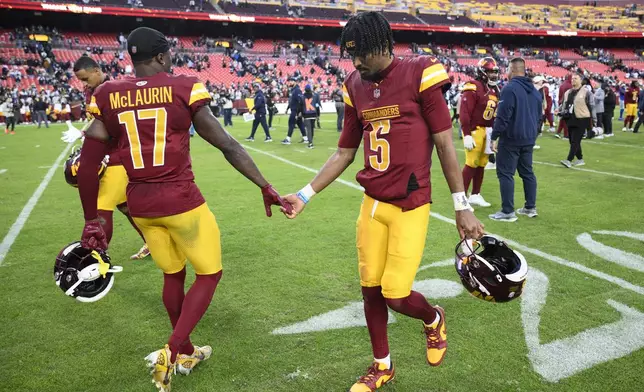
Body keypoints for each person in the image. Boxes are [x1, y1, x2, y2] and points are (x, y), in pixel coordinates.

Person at [76, 27, 291, 392]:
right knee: (209, 275)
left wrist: (90, 220)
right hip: (181, 202)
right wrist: (266, 186)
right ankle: (173, 350)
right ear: (161, 57)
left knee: (173, 276)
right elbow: (227, 145)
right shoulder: (183, 87)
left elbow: (86, 167)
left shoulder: (108, 94)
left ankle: (188, 350)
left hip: (141, 204)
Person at [280, 12, 485, 392]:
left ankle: (433, 318)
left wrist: (462, 204)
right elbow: (344, 153)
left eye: (363, 54)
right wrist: (305, 195)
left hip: (411, 204)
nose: (356, 62)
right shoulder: (354, 85)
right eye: (351, 55)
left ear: (385, 45)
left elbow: (444, 143)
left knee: (396, 294)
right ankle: (382, 366)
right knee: (370, 288)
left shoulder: (420, 73)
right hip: (372, 204)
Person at [62, 55, 150, 260]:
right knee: (126, 205)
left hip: (117, 155)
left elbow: (114, 126)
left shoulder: (113, 89)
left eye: (85, 78)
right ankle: (154, 241)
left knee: (102, 206)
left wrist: (84, 134)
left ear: (96, 70)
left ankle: (96, 258)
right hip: (107, 152)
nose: (83, 83)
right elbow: (95, 121)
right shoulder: (91, 91)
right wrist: (85, 133)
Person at [489, 57, 540, 222]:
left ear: (512, 69)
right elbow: (540, 115)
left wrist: (495, 136)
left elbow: (503, 116)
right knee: (527, 172)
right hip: (528, 138)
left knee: (505, 173)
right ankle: (530, 207)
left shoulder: (509, 89)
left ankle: (507, 211)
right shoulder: (534, 89)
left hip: (511, 138)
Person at [459, 57, 500, 209]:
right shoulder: (473, 86)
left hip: (487, 130)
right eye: (490, 72)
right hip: (475, 129)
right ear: (482, 72)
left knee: (482, 164)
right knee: (472, 163)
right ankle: (461, 198)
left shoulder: (495, 89)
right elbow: (464, 112)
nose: (494, 75)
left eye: (495, 72)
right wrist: (467, 134)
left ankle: (475, 194)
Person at [560, 73, 592, 168]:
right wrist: (560, 110)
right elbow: (564, 104)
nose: (573, 80)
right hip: (570, 118)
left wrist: (594, 121)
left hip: (582, 118)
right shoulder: (568, 92)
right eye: (572, 78)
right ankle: (580, 159)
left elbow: (592, 106)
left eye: (576, 78)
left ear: (581, 80)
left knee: (575, 140)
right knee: (572, 140)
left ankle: (569, 160)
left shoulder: (586, 92)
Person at [282, 78, 307, 145]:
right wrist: (287, 109)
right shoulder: (292, 90)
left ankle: (288, 139)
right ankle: (305, 138)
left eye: (291, 81)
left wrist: (299, 112)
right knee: (300, 124)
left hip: (295, 110)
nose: (289, 82)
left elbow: (300, 101)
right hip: (294, 109)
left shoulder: (297, 90)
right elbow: (291, 101)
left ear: (295, 82)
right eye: (289, 81)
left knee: (291, 123)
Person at [300, 84, 317, 148]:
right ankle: (311, 141)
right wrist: (317, 114)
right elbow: (317, 105)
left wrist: (301, 113)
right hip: (313, 113)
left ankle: (310, 143)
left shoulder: (302, 97)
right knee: (312, 129)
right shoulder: (314, 96)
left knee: (308, 129)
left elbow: (301, 106)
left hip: (306, 114)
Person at [555, 74, 572, 139]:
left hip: (561, 102)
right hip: (566, 103)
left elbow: (560, 95)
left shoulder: (562, 84)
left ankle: (558, 132)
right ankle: (566, 134)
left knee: (562, 119)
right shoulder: (570, 85)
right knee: (565, 119)